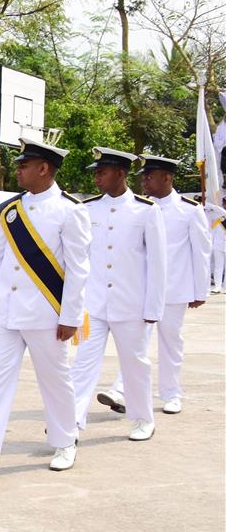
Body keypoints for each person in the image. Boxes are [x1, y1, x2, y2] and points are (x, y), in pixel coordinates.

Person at [0, 139, 91, 480]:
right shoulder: (10, 209)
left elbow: (78, 269)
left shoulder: (71, 210)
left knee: (55, 380)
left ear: (44, 169)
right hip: (4, 312)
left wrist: (70, 317)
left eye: (24, 165)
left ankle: (65, 441)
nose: (18, 170)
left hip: (46, 313)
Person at [67, 147, 167, 442]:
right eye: (96, 172)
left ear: (121, 174)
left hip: (131, 305)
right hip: (93, 305)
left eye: (102, 172)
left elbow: (158, 264)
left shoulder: (146, 210)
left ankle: (142, 419)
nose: (97, 177)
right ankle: (70, 422)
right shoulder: (87, 209)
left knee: (135, 364)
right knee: (82, 363)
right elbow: (80, 259)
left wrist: (153, 309)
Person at [101, 154, 210, 416]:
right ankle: (121, 390)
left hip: (174, 289)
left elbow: (201, 251)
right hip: (141, 289)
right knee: (136, 343)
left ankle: (171, 394)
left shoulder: (189, 209)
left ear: (167, 178)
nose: (145, 181)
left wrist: (200, 290)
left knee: (171, 341)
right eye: (143, 177)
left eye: (150, 177)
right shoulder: (138, 207)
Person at [209, 195, 226, 292]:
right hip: (218, 244)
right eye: (224, 203)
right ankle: (218, 286)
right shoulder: (218, 217)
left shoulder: (221, 214)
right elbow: (213, 231)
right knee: (218, 266)